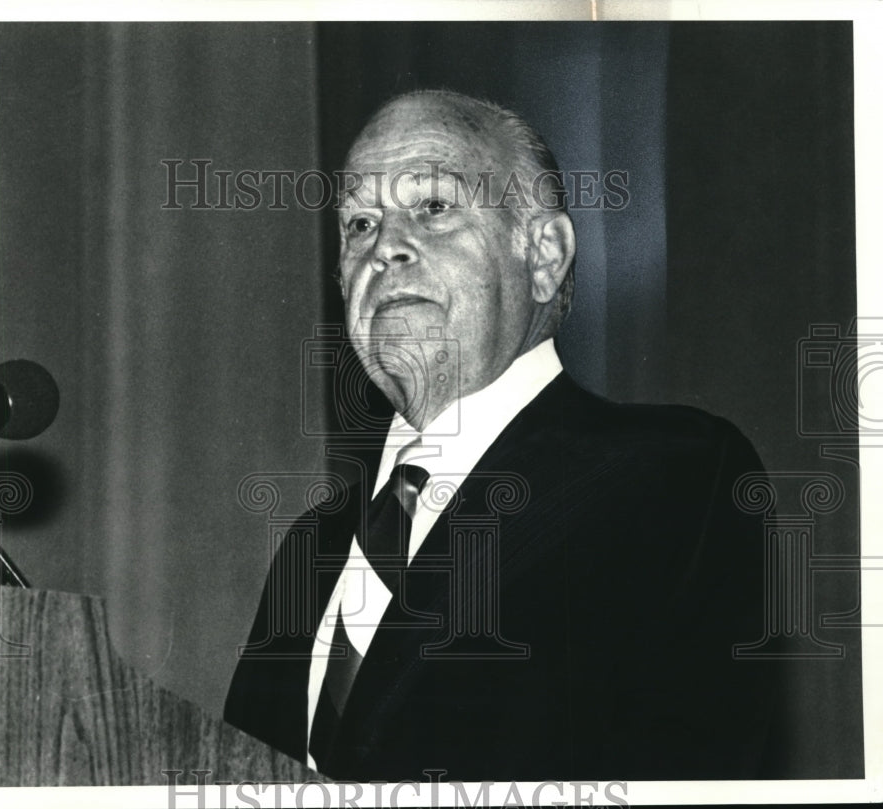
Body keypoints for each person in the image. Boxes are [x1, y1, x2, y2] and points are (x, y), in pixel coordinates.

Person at [224, 90, 776, 781]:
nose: (385, 247)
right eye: (359, 223)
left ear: (543, 255)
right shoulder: (313, 546)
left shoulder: (673, 479)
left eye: (433, 207)